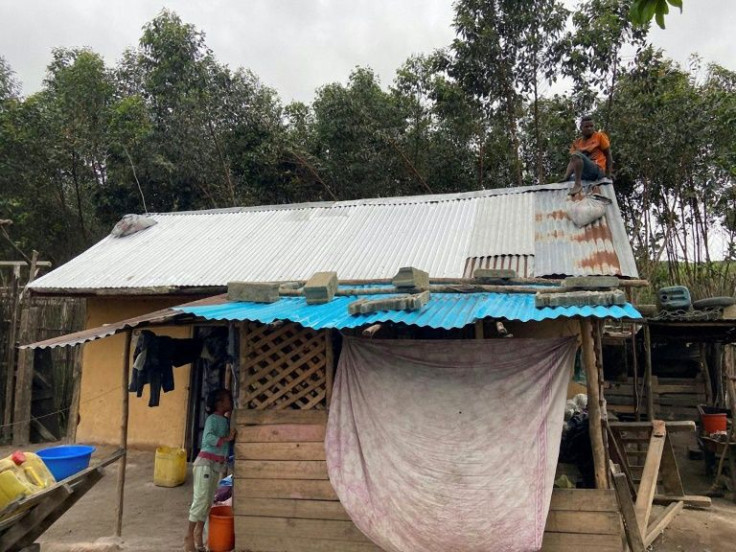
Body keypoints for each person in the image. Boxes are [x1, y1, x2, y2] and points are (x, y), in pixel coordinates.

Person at [185, 389, 236, 552]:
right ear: (219, 403)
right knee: (200, 500)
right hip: (205, 464)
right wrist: (226, 439)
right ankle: (188, 536)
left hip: (214, 466)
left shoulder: (224, 420)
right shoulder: (212, 419)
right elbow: (207, 438)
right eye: (228, 400)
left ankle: (199, 533)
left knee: (207, 502)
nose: (231, 402)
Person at [563, 115, 613, 196]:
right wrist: (566, 177)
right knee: (569, 179)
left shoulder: (599, 136)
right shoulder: (577, 142)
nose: (589, 128)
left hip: (597, 170)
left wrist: (608, 173)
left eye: (591, 126)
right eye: (586, 126)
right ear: (581, 128)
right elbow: (572, 161)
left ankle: (578, 184)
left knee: (576, 154)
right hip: (585, 173)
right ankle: (575, 183)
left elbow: (608, 155)